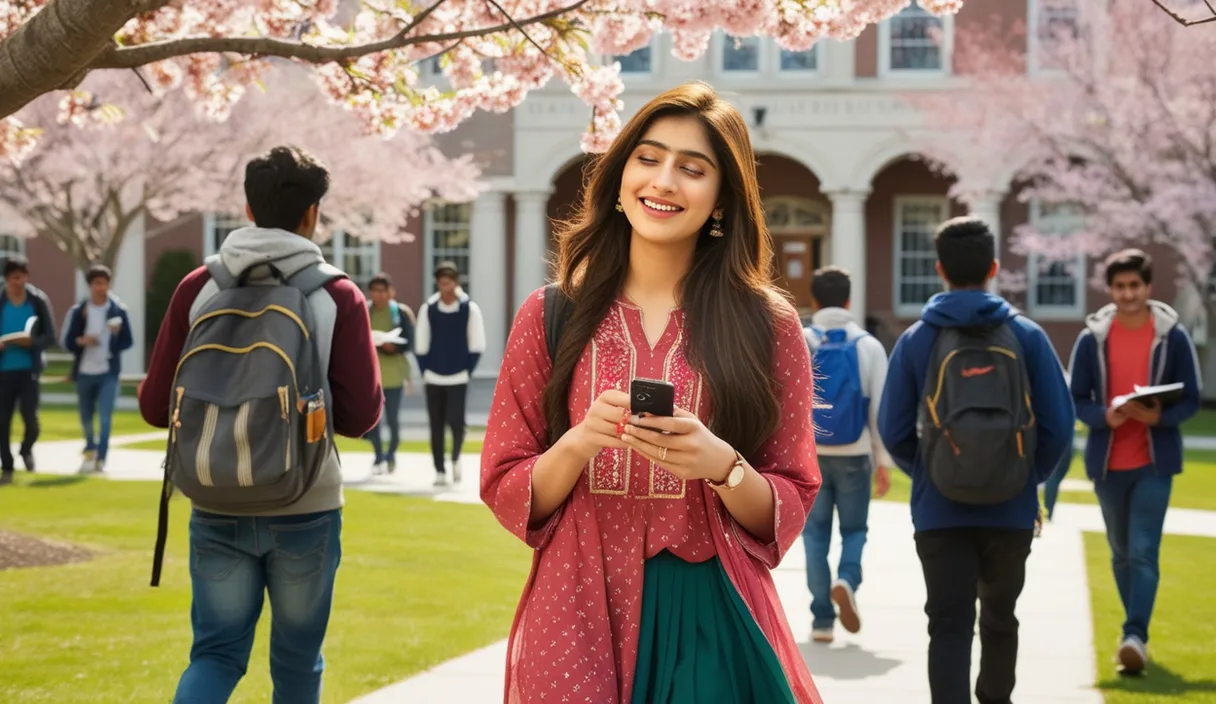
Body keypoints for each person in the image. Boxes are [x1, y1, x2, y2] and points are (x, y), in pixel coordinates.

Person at [481, 81, 823, 704]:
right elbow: (506, 484)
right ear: (618, 178)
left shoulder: (766, 325)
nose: (664, 181)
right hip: (574, 607)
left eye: (693, 169)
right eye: (648, 157)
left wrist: (722, 465)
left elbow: (791, 495)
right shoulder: (550, 314)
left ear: (721, 200)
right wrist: (581, 441)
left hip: (708, 603)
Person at [138, 145, 381, 703]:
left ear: (247, 209)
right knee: (297, 665)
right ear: (312, 215)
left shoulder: (198, 287)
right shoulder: (336, 295)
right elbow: (362, 417)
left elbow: (156, 408)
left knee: (216, 656)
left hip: (214, 498)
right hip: (306, 506)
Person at [878, 216, 1074, 704]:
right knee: (1001, 619)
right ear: (994, 268)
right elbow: (1059, 426)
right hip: (1010, 509)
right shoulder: (1027, 336)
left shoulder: (917, 340)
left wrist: (930, 469)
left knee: (948, 627)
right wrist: (1026, 477)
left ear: (940, 269)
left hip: (939, 509)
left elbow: (893, 429)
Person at [1068, 248, 1200, 674]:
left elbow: (1192, 399)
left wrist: (1159, 416)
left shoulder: (1172, 336)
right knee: (1120, 553)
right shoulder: (1092, 339)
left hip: (1153, 464)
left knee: (1143, 552)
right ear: (1110, 289)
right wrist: (1102, 416)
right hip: (1107, 464)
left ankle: (1134, 635)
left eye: (1135, 286)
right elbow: (1076, 399)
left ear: (1148, 287)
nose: (1128, 294)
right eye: (1120, 286)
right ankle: (1133, 634)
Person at [801, 265, 893, 644]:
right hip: (855, 454)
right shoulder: (868, 345)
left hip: (812, 455)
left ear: (814, 300)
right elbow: (880, 410)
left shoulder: (802, 340)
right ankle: (847, 579)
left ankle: (822, 620)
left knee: (815, 535)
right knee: (855, 530)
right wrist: (882, 462)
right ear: (850, 300)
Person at [413, 261, 485, 487]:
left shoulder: (469, 309)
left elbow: (477, 344)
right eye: (442, 282)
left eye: (450, 281)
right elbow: (421, 345)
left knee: (456, 423)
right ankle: (439, 469)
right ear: (438, 283)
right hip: (433, 377)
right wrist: (425, 370)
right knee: (436, 425)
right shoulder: (429, 309)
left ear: (456, 282)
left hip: (458, 377)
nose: (446, 286)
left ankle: (455, 459)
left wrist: (466, 370)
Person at [60, 264, 134, 474]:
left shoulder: (118, 311)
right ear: (90, 285)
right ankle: (90, 447)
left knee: (104, 416)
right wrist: (82, 340)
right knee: (86, 415)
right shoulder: (79, 312)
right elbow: (67, 341)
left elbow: (128, 342)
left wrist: (116, 335)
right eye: (97, 283)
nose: (101, 287)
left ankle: (101, 457)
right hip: (84, 371)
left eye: (104, 283)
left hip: (108, 372)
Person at [0, 255, 56, 485]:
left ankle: (26, 449)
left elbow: (50, 336)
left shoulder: (37, 301)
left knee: (30, 418)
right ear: (6, 279)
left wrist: (31, 342)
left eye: (22, 277)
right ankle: (8, 468)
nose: (18, 282)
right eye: (14, 278)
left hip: (28, 370)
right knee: (2, 421)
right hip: (3, 371)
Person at [364, 272, 415, 475]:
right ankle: (378, 456)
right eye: (375, 291)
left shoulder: (399, 313)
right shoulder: (365, 312)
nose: (379, 295)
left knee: (392, 419)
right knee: (373, 420)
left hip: (394, 375)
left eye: (383, 291)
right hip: (371, 376)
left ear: (390, 292)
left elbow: (409, 342)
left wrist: (392, 347)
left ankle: (391, 454)